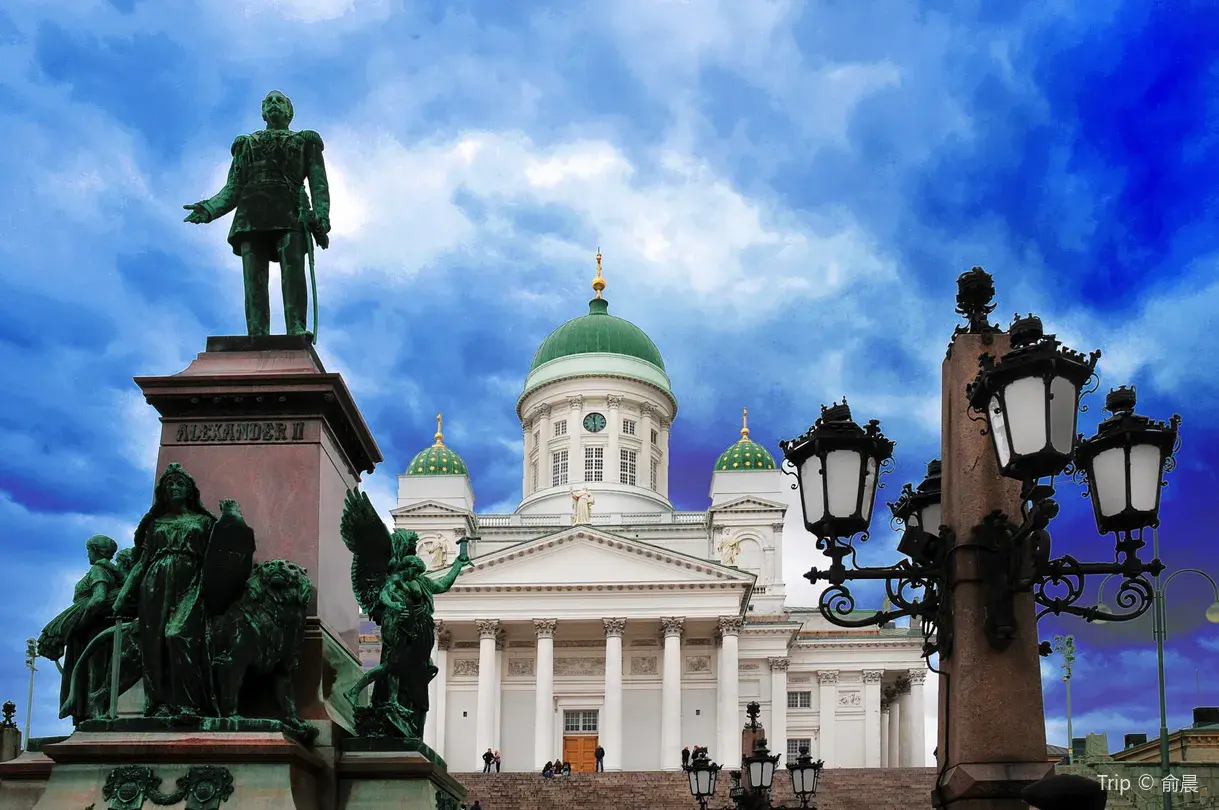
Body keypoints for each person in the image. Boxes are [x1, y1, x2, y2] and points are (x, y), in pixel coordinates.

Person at [183, 90, 331, 339]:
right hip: (251, 214)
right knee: (254, 279)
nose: (274, 104)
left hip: (292, 212)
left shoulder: (306, 141)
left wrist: (322, 217)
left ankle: (295, 328)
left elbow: (319, 184)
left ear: (289, 111)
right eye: (269, 101)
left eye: (279, 100)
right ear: (262, 111)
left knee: (293, 273)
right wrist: (209, 208)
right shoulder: (247, 144)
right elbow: (233, 187)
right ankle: (257, 333)